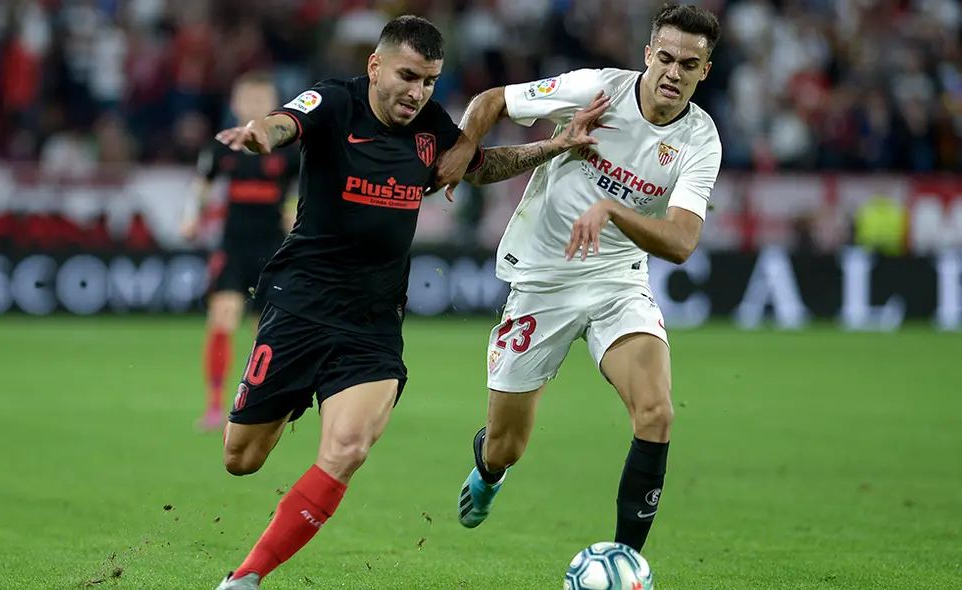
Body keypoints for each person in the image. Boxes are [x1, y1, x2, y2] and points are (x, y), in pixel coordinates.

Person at [209, 15, 608, 589]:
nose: (417, 92)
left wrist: (553, 145)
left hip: (371, 322)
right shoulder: (335, 101)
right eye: (407, 76)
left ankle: (245, 578)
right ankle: (292, 400)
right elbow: (284, 123)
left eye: (429, 81)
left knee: (347, 448)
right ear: (375, 67)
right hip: (299, 304)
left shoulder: (430, 125)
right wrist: (258, 134)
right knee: (241, 458)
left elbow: (477, 166)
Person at [432, 2, 723, 555]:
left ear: (704, 71)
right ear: (648, 54)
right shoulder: (597, 89)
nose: (673, 72)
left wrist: (612, 210)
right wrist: (467, 142)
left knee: (656, 414)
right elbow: (494, 100)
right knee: (506, 447)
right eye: (665, 57)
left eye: (689, 64)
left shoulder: (700, 140)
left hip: (618, 282)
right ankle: (490, 472)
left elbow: (683, 242)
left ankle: (625, 561)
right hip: (542, 282)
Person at [180, 71, 300, 432]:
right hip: (233, 246)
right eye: (247, 100)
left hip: (274, 250)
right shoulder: (222, 145)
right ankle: (215, 405)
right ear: (235, 105)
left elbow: (302, 188)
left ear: (273, 105)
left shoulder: (287, 148)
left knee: (266, 332)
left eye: (261, 100)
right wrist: (191, 217)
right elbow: (202, 184)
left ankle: (261, 402)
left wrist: (294, 208)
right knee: (223, 317)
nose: (253, 106)